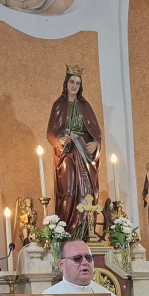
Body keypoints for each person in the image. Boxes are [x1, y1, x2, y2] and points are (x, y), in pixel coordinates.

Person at [47, 65, 102, 236]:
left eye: (78, 83)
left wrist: (95, 143)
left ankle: (85, 232)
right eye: (72, 82)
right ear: (66, 83)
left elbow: (96, 131)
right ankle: (67, 231)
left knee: (86, 192)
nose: (74, 86)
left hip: (84, 153)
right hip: (67, 153)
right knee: (68, 191)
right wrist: (60, 141)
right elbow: (51, 132)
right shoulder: (59, 105)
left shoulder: (85, 106)